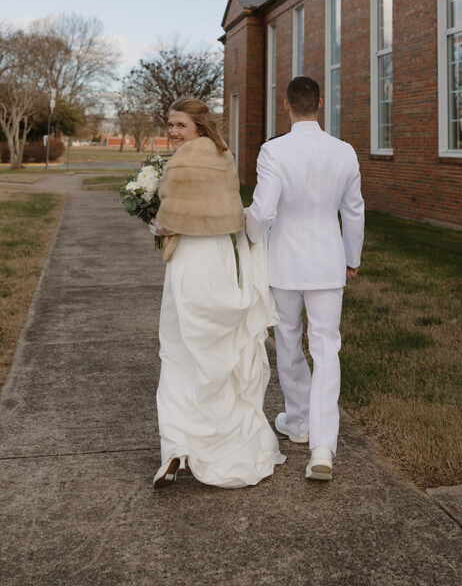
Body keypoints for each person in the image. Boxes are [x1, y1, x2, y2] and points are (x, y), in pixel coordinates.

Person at [151, 96, 285, 489]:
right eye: (171, 125)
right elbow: (230, 213)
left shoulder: (181, 162)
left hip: (191, 261)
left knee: (178, 350)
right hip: (220, 258)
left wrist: (153, 222)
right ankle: (194, 445)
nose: (173, 132)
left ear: (198, 127)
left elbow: (170, 221)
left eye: (180, 125)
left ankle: (177, 445)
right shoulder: (224, 157)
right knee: (217, 351)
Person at [245, 76, 364, 482]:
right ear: (320, 104)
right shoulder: (344, 152)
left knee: (289, 342)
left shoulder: (273, 150)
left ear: (286, 106)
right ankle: (321, 446)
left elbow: (261, 214)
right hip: (328, 262)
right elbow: (354, 211)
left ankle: (298, 423)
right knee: (327, 347)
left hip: (284, 263)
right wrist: (352, 256)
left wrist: (247, 242)